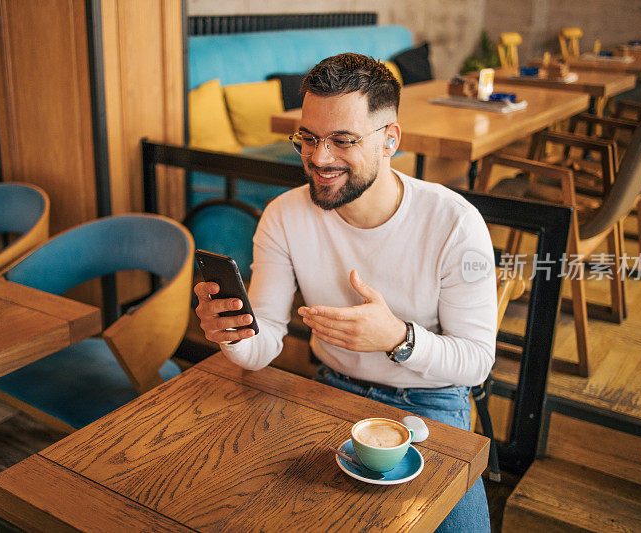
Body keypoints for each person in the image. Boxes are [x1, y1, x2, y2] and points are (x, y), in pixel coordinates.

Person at [194, 53, 496, 532]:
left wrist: (398, 338)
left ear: (389, 140)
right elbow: (263, 342)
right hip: (331, 390)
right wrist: (233, 334)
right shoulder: (284, 216)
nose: (319, 158)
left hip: (432, 403)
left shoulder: (453, 223)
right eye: (308, 139)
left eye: (343, 140)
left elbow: (477, 360)